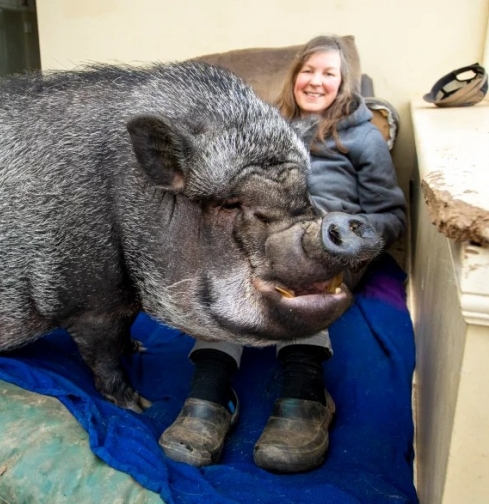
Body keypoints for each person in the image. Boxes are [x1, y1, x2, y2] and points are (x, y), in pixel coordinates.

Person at [158, 35, 407, 473]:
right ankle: (211, 393)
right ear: (295, 77)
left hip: (328, 243)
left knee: (300, 276)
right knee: (229, 273)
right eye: (308, 71)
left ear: (344, 84)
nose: (316, 82)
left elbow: (389, 213)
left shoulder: (364, 137)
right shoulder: (265, 128)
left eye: (328, 74)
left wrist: (353, 237)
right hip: (268, 232)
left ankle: (305, 393)